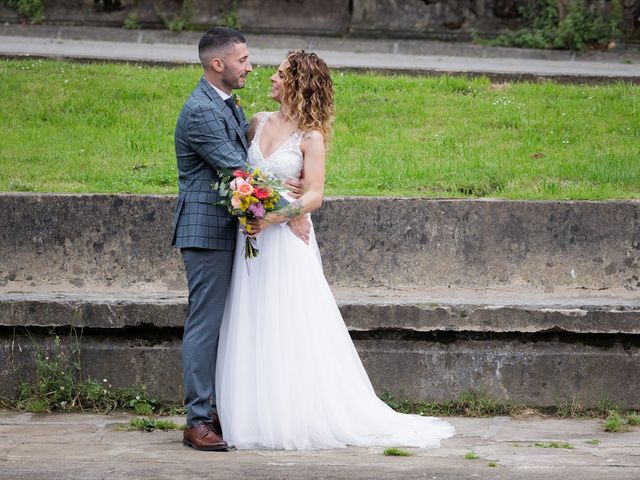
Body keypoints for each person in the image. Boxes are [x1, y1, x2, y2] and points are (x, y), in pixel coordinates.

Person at [215, 51, 455, 450]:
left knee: (290, 324)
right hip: (252, 239)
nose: (270, 78)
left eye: (279, 74)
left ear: (298, 84)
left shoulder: (310, 137)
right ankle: (253, 414)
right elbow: (242, 173)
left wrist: (277, 216)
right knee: (252, 320)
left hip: (285, 242)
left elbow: (315, 196)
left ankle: (295, 415)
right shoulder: (256, 121)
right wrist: (253, 201)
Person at [171, 27, 307, 452]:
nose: (250, 66)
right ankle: (197, 421)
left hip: (232, 228)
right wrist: (293, 211)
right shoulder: (202, 112)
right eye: (243, 59)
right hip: (206, 231)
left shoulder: (227, 103)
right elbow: (240, 172)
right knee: (206, 324)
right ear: (218, 64)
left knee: (228, 324)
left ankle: (218, 410)